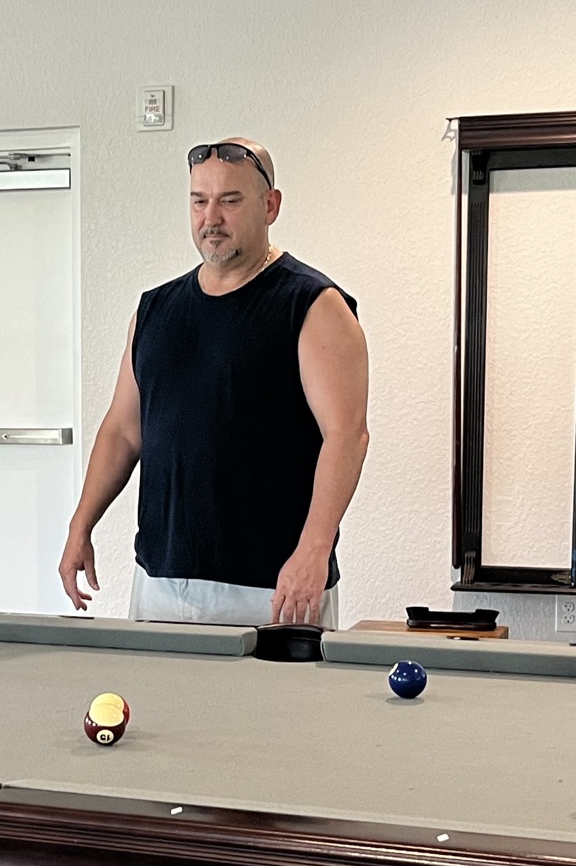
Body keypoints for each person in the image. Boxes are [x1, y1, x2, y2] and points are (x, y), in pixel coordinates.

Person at [58, 138, 369, 628]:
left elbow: (346, 436)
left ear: (271, 205)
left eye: (230, 200)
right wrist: (81, 525)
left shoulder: (312, 305)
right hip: (162, 581)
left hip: (274, 588)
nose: (211, 218)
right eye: (199, 201)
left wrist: (314, 550)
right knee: (163, 708)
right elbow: (122, 430)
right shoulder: (155, 309)